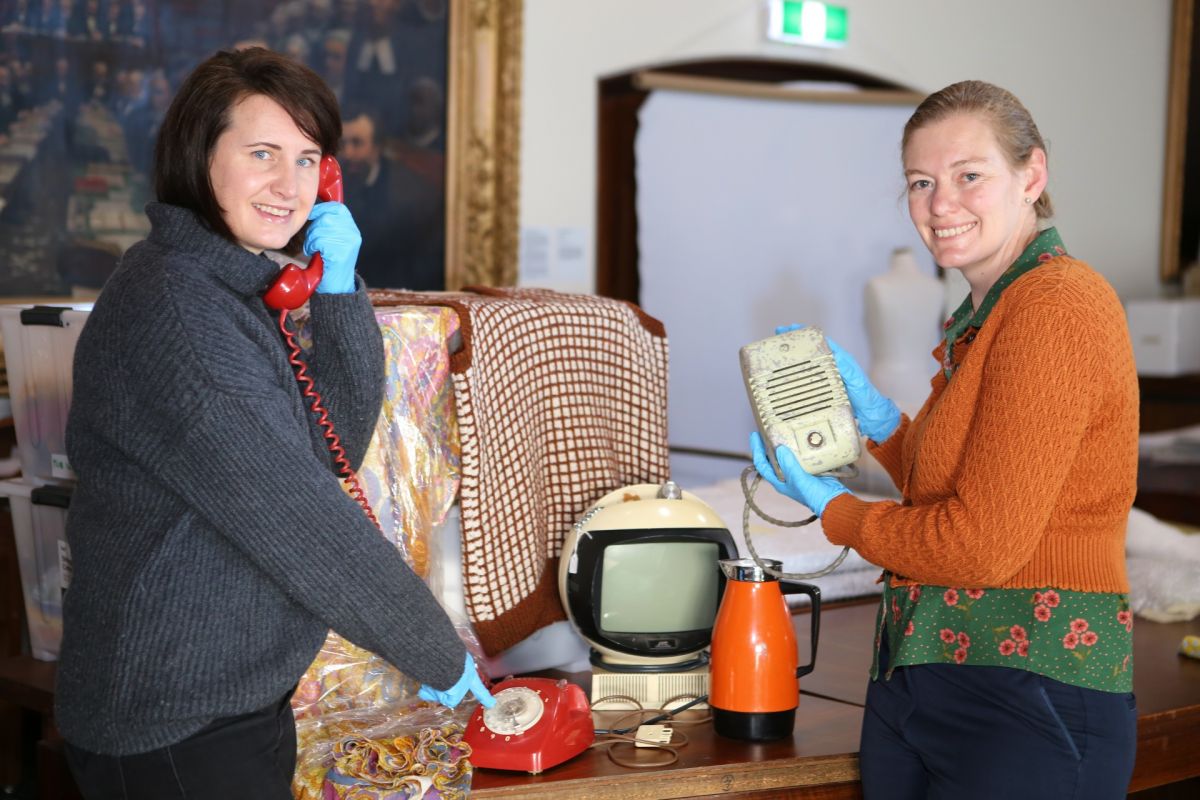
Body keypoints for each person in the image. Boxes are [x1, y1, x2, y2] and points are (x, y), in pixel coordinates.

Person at [55, 47, 493, 799]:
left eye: (306, 160)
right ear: (200, 156)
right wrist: (436, 652)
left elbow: (331, 449)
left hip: (220, 706)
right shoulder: (179, 311)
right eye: (262, 153)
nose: (287, 186)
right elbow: (300, 512)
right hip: (175, 724)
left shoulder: (224, 286)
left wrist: (338, 289)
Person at [751, 80, 1138, 799]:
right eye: (920, 182)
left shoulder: (1056, 306)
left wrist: (834, 508)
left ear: (1032, 175)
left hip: (1027, 689)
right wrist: (878, 423)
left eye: (969, 176)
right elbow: (953, 479)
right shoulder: (986, 313)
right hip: (932, 671)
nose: (939, 204)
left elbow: (980, 545)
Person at [341, 103, 445, 289]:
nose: (348, 153)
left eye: (357, 143)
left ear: (377, 146)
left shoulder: (408, 193)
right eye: (343, 144)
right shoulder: (335, 180)